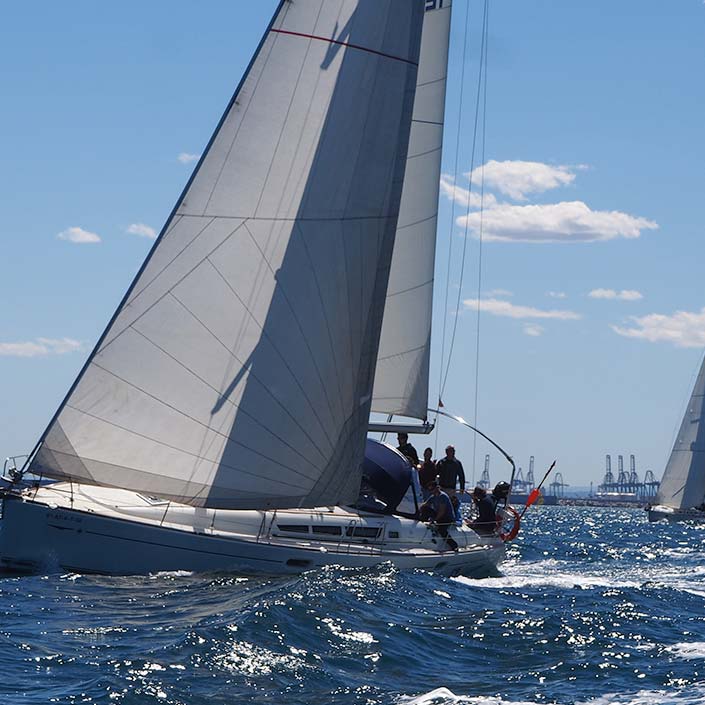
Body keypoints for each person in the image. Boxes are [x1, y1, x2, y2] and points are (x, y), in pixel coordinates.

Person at [418, 481, 458, 550]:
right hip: (439, 515)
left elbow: (442, 511)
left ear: (437, 488)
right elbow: (425, 505)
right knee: (425, 508)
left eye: (432, 489)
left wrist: (435, 520)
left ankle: (454, 546)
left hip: (447, 518)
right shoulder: (433, 496)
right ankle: (423, 520)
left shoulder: (442, 496)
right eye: (429, 490)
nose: (431, 491)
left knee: (441, 530)